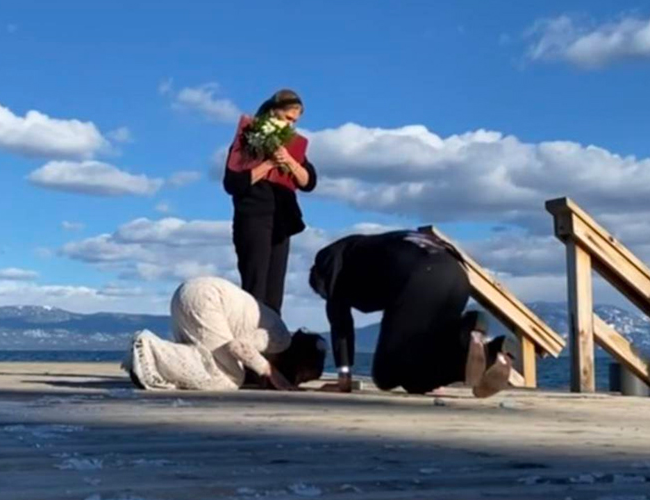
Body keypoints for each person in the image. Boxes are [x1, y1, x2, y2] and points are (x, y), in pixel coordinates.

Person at [309, 229, 518, 397]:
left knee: (387, 376)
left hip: (418, 277)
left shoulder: (328, 261)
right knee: (417, 372)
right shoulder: (372, 248)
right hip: (458, 276)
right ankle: (488, 348)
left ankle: (468, 338)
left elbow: (340, 322)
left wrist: (343, 377)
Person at [124, 276, 327, 391]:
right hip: (207, 299)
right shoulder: (281, 338)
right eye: (300, 378)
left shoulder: (277, 330)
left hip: (193, 292)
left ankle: (148, 361)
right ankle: (148, 350)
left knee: (208, 360)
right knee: (230, 378)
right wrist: (270, 372)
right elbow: (238, 347)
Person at [223, 89, 317, 315]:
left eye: (294, 122)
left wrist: (290, 161)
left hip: (281, 221)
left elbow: (309, 182)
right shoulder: (246, 141)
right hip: (254, 217)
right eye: (287, 119)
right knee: (256, 285)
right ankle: (248, 338)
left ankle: (271, 345)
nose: (290, 126)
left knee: (274, 293)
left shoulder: (293, 148)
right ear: (273, 113)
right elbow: (233, 184)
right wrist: (268, 164)